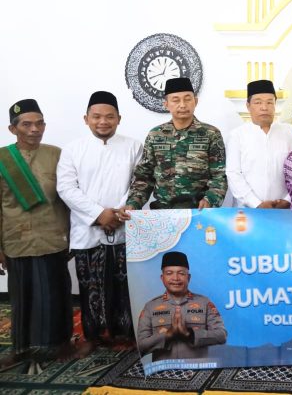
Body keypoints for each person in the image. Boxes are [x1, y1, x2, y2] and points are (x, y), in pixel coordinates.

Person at [57, 91, 143, 357]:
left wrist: (117, 214)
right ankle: (93, 336)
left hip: (124, 226)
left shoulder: (133, 146)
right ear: (86, 119)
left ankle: (127, 334)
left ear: (119, 118)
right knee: (90, 285)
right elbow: (66, 188)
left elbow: (140, 183)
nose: (103, 122)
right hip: (88, 229)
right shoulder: (73, 149)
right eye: (96, 116)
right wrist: (98, 214)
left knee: (125, 284)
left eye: (109, 116)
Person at [0, 99, 72, 365]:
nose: (34, 129)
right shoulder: (2, 159)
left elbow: (68, 197)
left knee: (57, 292)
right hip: (17, 238)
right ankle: (21, 349)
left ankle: (61, 345)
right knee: (21, 295)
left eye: (39, 123)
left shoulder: (56, 154)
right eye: (27, 124)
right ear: (12, 128)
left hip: (53, 235)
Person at [123, 77, 227, 212]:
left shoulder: (210, 134)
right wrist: (133, 203)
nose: (182, 105)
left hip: (198, 212)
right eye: (176, 100)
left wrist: (210, 199)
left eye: (187, 99)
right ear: (166, 104)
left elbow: (219, 175)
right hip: (163, 213)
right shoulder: (156, 135)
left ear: (195, 101)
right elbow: (144, 176)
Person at [137, 251, 227, 361]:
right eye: (169, 273)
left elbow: (221, 335)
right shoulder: (150, 307)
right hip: (164, 370)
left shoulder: (205, 303)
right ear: (162, 278)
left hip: (198, 368)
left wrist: (189, 334)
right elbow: (141, 345)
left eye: (181, 273)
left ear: (188, 277)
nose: (176, 278)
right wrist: (168, 335)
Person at [226, 79, 292, 209]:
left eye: (269, 102)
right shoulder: (237, 135)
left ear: (275, 104)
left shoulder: (291, 133)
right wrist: (256, 203)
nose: (264, 107)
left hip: (284, 209)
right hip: (247, 211)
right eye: (258, 102)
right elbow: (233, 174)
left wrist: (288, 199)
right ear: (248, 106)